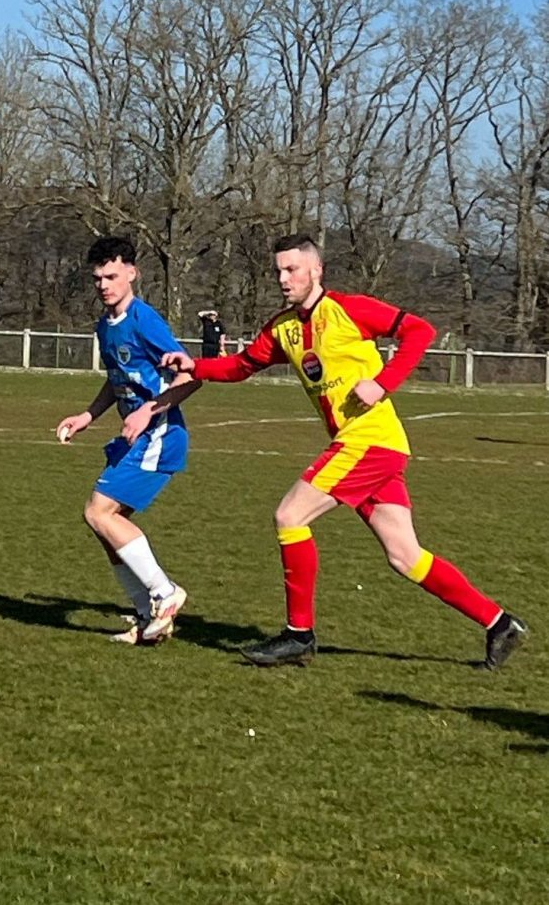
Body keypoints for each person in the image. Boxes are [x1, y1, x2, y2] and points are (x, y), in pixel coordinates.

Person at [161, 233, 527, 668]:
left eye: (292, 269)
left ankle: (299, 636)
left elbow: (420, 331)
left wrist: (382, 383)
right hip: (372, 447)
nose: (283, 278)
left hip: (368, 440)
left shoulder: (349, 309)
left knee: (290, 516)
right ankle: (500, 623)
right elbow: (242, 366)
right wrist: (195, 365)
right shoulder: (283, 328)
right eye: (278, 271)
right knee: (405, 556)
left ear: (316, 270)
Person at [55, 237, 200, 645]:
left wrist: (147, 411)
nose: (104, 285)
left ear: (132, 273)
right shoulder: (105, 326)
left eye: (112, 276)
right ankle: (147, 616)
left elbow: (191, 376)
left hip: (160, 434)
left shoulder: (144, 320)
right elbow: (117, 380)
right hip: (135, 437)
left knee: (98, 512)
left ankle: (165, 593)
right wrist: (87, 416)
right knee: (107, 528)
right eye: (98, 278)